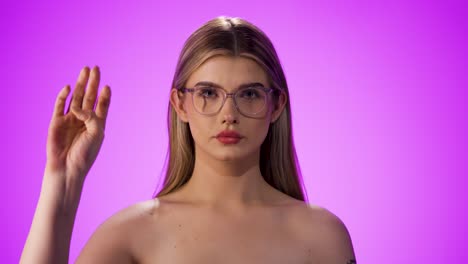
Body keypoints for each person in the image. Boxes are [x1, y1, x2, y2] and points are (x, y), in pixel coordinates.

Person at [20, 16, 356, 263]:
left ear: (276, 105)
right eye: (209, 93)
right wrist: (62, 180)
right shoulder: (131, 233)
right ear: (180, 103)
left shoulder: (322, 234)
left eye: (249, 94)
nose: (229, 113)